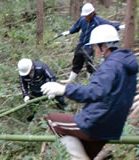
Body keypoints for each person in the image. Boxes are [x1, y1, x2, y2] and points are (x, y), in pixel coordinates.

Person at [41, 24, 138, 159]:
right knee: (87, 152)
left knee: (53, 120)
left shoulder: (110, 66)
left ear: (104, 46)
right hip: (113, 126)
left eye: (94, 47)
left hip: (96, 123)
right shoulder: (126, 66)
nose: (94, 51)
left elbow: (96, 91)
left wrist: (64, 89)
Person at [60, 3, 124, 84]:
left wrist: (119, 26)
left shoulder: (98, 21)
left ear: (92, 13)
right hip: (81, 44)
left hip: (90, 45)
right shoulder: (82, 19)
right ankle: (71, 79)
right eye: (85, 15)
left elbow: (108, 24)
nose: (86, 17)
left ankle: (90, 81)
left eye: (87, 15)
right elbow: (76, 27)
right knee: (77, 60)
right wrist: (69, 32)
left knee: (89, 63)